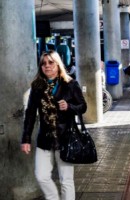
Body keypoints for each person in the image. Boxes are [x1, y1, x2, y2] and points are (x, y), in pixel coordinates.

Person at [21, 50, 87, 200]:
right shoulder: (37, 87)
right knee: (41, 176)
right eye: (43, 63)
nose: (47, 66)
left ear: (58, 64)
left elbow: (83, 106)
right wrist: (25, 139)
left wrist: (69, 107)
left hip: (65, 138)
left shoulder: (70, 84)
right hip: (44, 138)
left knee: (66, 180)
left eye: (51, 62)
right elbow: (30, 114)